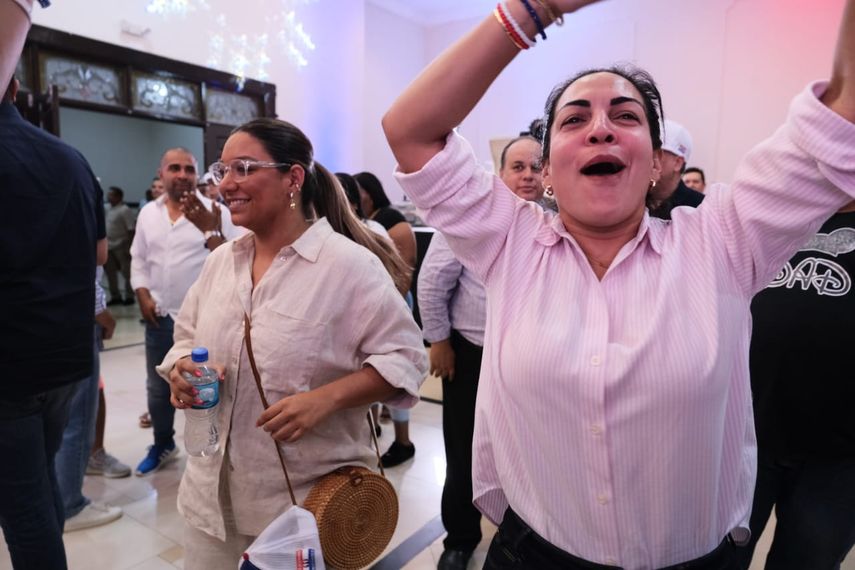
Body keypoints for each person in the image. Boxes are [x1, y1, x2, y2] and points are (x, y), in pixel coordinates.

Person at [382, 0, 855, 568]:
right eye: (575, 119)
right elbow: (410, 130)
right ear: (550, 168)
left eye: (625, 117)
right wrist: (536, 10)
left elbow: (844, 109)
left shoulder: (723, 241)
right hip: (534, 552)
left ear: (656, 162)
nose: (601, 127)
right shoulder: (509, 244)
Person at [155, 118, 427, 570]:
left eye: (243, 168)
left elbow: (406, 358)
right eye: (222, 171)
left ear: (293, 178)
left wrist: (326, 399)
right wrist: (181, 368)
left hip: (301, 507)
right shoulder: (222, 262)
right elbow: (185, 336)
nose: (227, 184)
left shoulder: (347, 267)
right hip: (210, 500)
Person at [422, 134, 546, 570]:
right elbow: (433, 280)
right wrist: (439, 341)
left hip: (532, 362)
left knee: (527, 453)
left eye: (536, 166)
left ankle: (522, 535)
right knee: (464, 451)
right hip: (471, 353)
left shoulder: (559, 219)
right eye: (518, 167)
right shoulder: (474, 217)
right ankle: (459, 537)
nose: (528, 175)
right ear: (501, 173)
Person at [0, 70, 106, 568]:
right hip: (63, 355)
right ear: (16, 88)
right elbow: (99, 253)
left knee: (24, 512)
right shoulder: (71, 159)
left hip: (9, 366)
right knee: (37, 488)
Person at [736, 201, 855, 570]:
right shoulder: (781, 213)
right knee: (716, 556)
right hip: (747, 435)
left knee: (807, 563)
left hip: (839, 457)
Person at [130, 147, 240, 476]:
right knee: (156, 386)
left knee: (210, 386)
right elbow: (139, 258)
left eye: (189, 169)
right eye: (174, 168)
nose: (182, 175)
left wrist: (210, 229)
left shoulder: (218, 212)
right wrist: (142, 292)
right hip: (161, 318)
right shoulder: (149, 213)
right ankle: (163, 442)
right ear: (161, 174)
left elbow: (233, 261)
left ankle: (211, 448)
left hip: (205, 322)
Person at [354, 171, 420, 467]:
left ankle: (402, 440)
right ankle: (375, 423)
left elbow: (403, 270)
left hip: (391, 301)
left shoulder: (386, 222)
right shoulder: (364, 223)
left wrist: (391, 307)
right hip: (373, 305)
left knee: (393, 371)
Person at [56, 269, 123, 532]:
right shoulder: (74, 225)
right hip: (73, 316)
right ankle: (69, 505)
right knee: (78, 416)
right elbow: (86, 260)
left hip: (37, 317)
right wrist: (102, 313)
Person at [648, 119, 704, 219]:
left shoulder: (700, 208)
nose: (647, 159)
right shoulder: (631, 201)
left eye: (656, 154)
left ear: (678, 163)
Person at [104, 186, 136, 305]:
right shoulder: (107, 208)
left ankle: (129, 296)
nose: (109, 197)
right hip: (109, 245)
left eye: (112, 195)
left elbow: (131, 230)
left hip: (122, 244)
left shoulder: (124, 210)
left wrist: (129, 247)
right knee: (110, 272)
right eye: (109, 195)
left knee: (127, 272)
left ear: (119, 197)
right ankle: (115, 296)